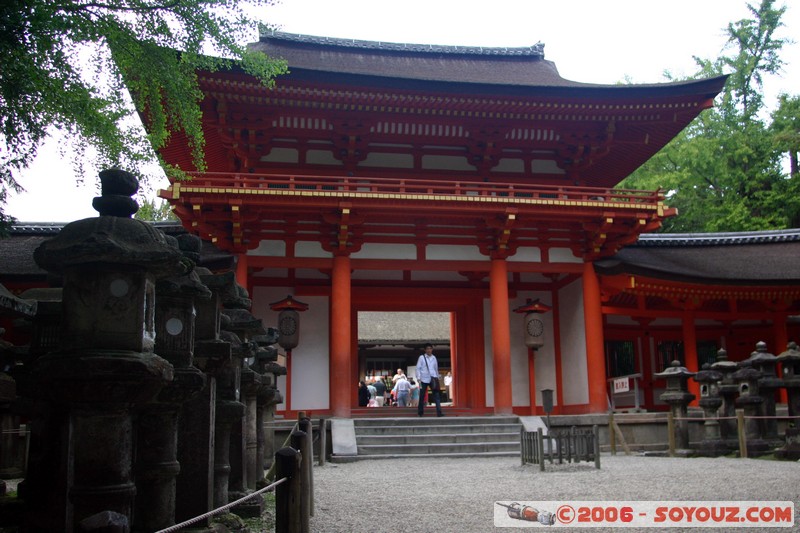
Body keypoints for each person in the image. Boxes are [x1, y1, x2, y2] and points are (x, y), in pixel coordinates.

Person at [416, 343, 443, 417]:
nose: (429, 350)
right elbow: (418, 368)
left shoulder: (434, 358)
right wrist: (418, 378)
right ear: (425, 350)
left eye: (430, 348)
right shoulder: (421, 357)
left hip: (433, 378)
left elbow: (435, 368)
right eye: (427, 348)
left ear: (432, 349)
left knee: (436, 395)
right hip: (423, 379)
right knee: (422, 396)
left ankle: (439, 412)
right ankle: (420, 412)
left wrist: (437, 377)